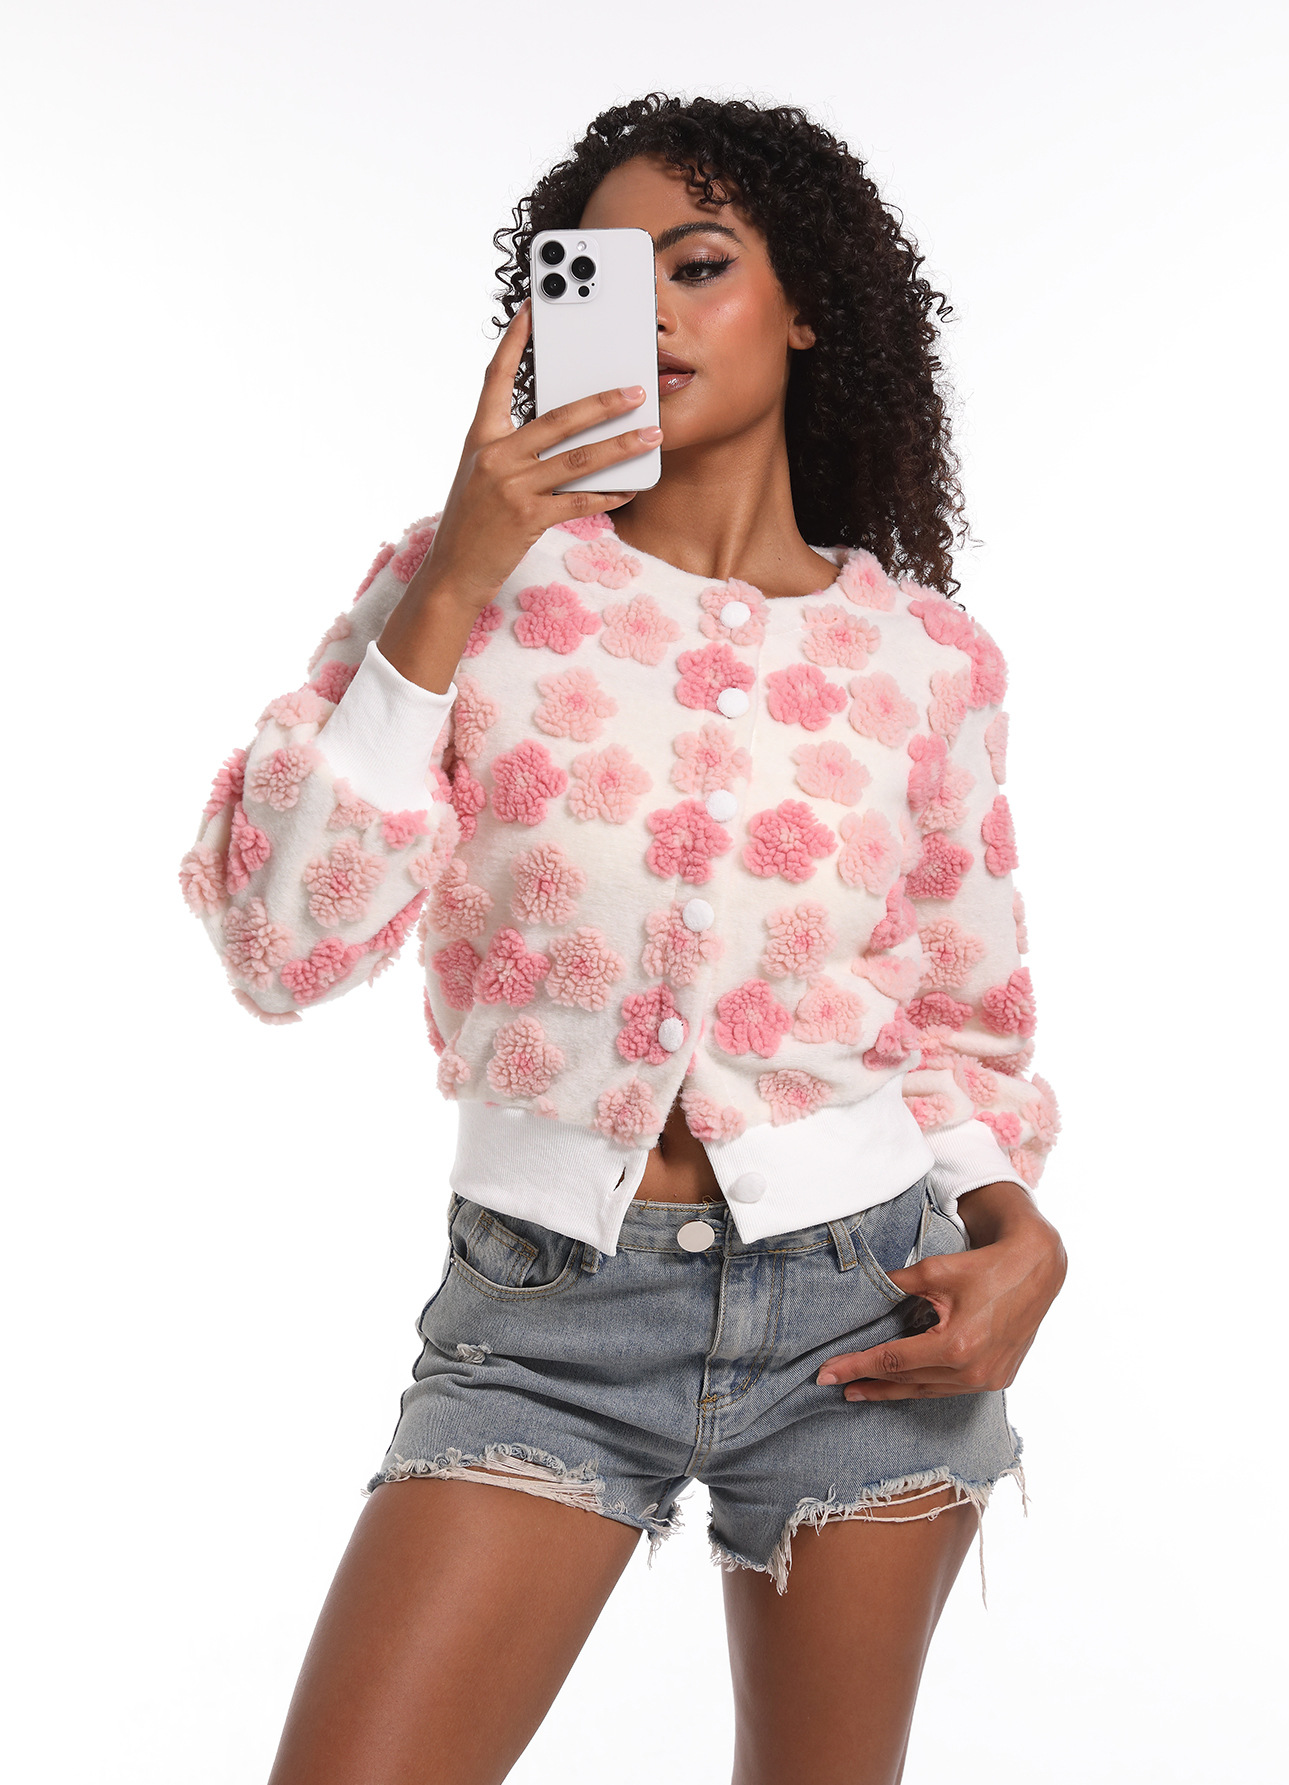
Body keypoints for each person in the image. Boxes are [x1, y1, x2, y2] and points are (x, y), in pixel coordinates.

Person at [181, 93, 1067, 1785]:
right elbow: (278, 939)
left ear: (808, 307)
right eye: (599, 272)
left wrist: (1020, 1228)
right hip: (546, 1318)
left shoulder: (927, 660)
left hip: (872, 1311)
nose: (650, 309)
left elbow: (957, 1016)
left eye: (700, 265)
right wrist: (462, 568)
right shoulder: (471, 582)